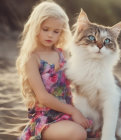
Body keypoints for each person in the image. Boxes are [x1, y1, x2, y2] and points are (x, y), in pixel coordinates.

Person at [16, 1, 91, 140]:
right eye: (45, 29)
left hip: (67, 113)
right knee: (78, 133)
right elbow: (42, 97)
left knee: (95, 127)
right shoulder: (32, 58)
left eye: (56, 31)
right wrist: (73, 111)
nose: (50, 35)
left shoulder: (63, 54)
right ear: (35, 27)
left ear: (61, 32)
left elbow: (76, 81)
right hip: (46, 118)